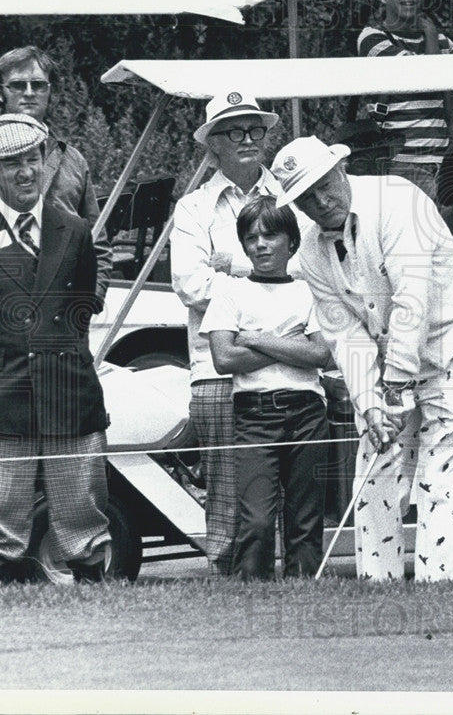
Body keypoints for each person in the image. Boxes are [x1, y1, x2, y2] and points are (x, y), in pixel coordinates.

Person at [272, 136, 453, 582]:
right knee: (375, 469)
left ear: (341, 169)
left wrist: (394, 385)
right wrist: (371, 404)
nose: (320, 201)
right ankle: (379, 585)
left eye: (323, 185)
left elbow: (414, 300)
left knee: (438, 472)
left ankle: (440, 587)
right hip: (389, 363)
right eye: (305, 197)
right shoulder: (312, 251)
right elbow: (345, 336)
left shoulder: (397, 200)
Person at [0, 114, 111, 584]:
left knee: (83, 515)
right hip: (1, 396)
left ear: (44, 162)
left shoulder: (73, 230)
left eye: (32, 159)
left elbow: (80, 309)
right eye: (11, 163)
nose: (24, 172)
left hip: (68, 393)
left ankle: (94, 607)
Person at [170, 89, 281, 577]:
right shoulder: (194, 208)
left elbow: (311, 272)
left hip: (288, 365)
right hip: (216, 367)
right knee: (225, 484)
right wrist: (271, 285)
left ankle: (282, 572)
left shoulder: (291, 196)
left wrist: (233, 265)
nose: (248, 139)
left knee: (285, 481)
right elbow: (192, 286)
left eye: (255, 129)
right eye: (234, 131)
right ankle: (228, 571)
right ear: (211, 143)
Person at [201, 196, 331, 580]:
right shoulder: (230, 292)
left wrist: (255, 338)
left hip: (307, 411)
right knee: (256, 519)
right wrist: (291, 344)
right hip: (254, 415)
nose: (260, 244)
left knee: (305, 519)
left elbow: (322, 354)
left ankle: (302, 596)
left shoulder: (309, 291)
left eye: (271, 235)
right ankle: (253, 597)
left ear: (291, 242)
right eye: (252, 237)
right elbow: (224, 358)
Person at [0, 46, 113, 307]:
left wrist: (89, 302)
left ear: (50, 90)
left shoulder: (73, 159)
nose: (30, 93)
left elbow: (97, 241)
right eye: (18, 85)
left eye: (39, 85)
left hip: (62, 314)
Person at [357, 0, 453, 201]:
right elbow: (423, 77)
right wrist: (431, 33)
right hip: (399, 165)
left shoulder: (444, 44)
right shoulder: (372, 39)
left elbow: (451, 111)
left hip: (440, 165)